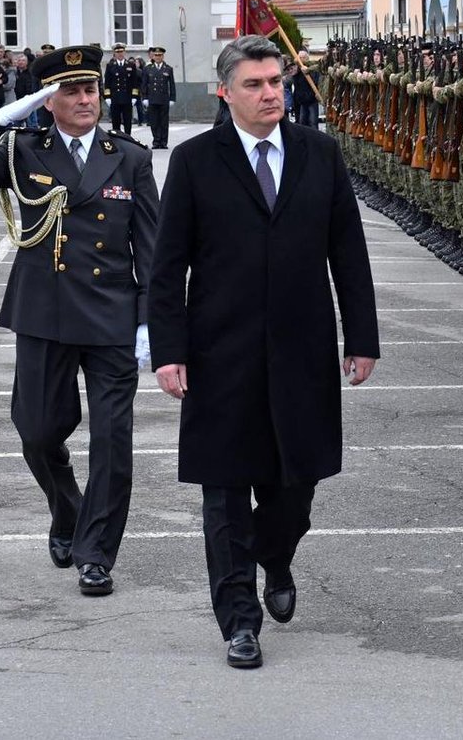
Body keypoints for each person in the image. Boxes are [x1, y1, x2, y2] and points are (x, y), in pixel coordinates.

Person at [149, 34, 379, 669]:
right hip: (219, 353)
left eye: (276, 81)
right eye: (254, 84)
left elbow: (348, 254)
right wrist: (168, 350)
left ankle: (275, 555)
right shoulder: (195, 162)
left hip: (303, 351)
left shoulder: (320, 154)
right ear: (226, 94)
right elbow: (167, 267)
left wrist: (362, 338)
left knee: (296, 487)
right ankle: (238, 622)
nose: (270, 92)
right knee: (223, 492)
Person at [0, 45, 159, 598]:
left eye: (90, 90)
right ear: (48, 100)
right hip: (45, 313)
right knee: (38, 433)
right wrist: (3, 116)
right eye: (70, 91)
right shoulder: (23, 150)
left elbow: (151, 247)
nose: (85, 100)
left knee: (113, 442)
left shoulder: (130, 157)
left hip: (112, 315)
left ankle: (96, 554)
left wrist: (150, 322)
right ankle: (67, 511)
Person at [141, 46, 175, 148]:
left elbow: (172, 85)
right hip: (152, 98)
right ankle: (156, 141)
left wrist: (172, 98)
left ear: (163, 56)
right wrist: (145, 98)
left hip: (164, 99)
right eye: (156, 55)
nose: (158, 57)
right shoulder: (148, 69)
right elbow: (144, 84)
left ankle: (163, 142)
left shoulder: (168, 69)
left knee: (164, 122)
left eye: (160, 55)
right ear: (153, 56)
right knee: (154, 121)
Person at [103, 42, 139, 135]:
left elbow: (135, 82)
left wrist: (134, 96)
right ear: (114, 53)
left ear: (124, 52)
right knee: (116, 121)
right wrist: (107, 97)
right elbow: (107, 82)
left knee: (127, 121)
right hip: (115, 98)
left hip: (127, 97)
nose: (120, 54)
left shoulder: (130, 65)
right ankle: (117, 139)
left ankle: (128, 138)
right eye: (117, 52)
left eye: (121, 52)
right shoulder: (110, 65)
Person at [291, 50, 321, 128]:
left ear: (306, 58)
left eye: (302, 57)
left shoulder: (312, 68)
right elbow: (294, 79)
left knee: (313, 121)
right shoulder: (297, 69)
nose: (300, 59)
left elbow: (315, 81)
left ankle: (315, 138)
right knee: (302, 121)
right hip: (302, 100)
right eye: (299, 58)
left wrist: (308, 70)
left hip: (312, 99)